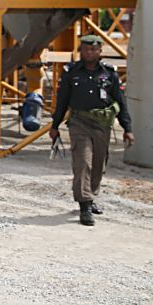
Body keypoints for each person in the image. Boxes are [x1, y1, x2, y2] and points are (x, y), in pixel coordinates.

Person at [49, 34, 135, 226]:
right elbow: (62, 101)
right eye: (86, 49)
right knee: (82, 162)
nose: (90, 52)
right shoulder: (71, 73)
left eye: (94, 49)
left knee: (98, 164)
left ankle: (91, 195)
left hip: (102, 125)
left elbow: (121, 102)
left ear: (100, 51)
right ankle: (84, 205)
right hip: (79, 123)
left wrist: (127, 128)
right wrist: (54, 126)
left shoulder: (109, 74)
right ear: (81, 51)